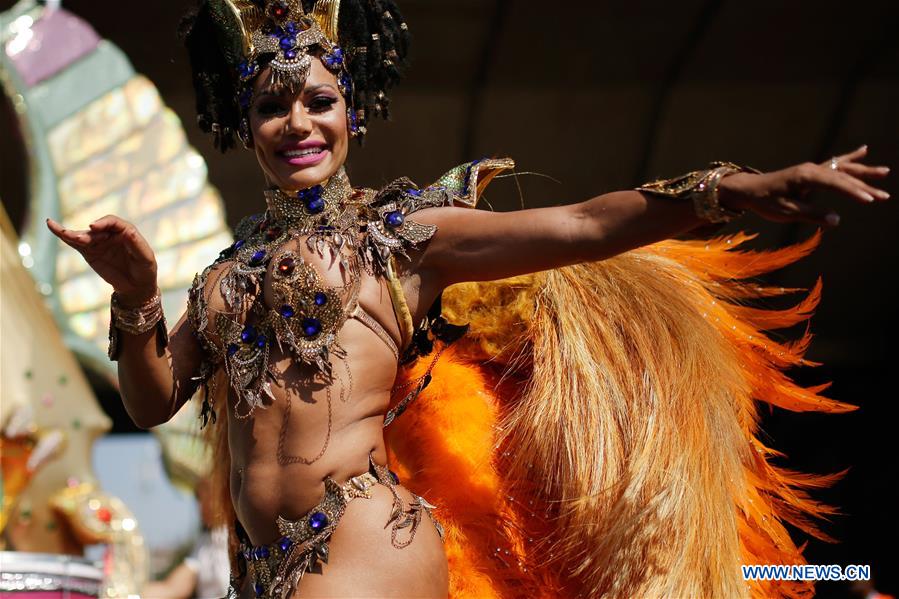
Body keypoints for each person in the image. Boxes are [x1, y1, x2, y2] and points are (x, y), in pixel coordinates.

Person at [45, 0, 890, 597]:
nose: (296, 123)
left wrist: (739, 187)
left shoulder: (401, 238)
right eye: (272, 106)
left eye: (319, 101)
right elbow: (151, 401)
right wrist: (136, 297)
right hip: (257, 571)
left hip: (362, 548)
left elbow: (584, 224)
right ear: (246, 122)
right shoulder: (225, 278)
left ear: (351, 115)